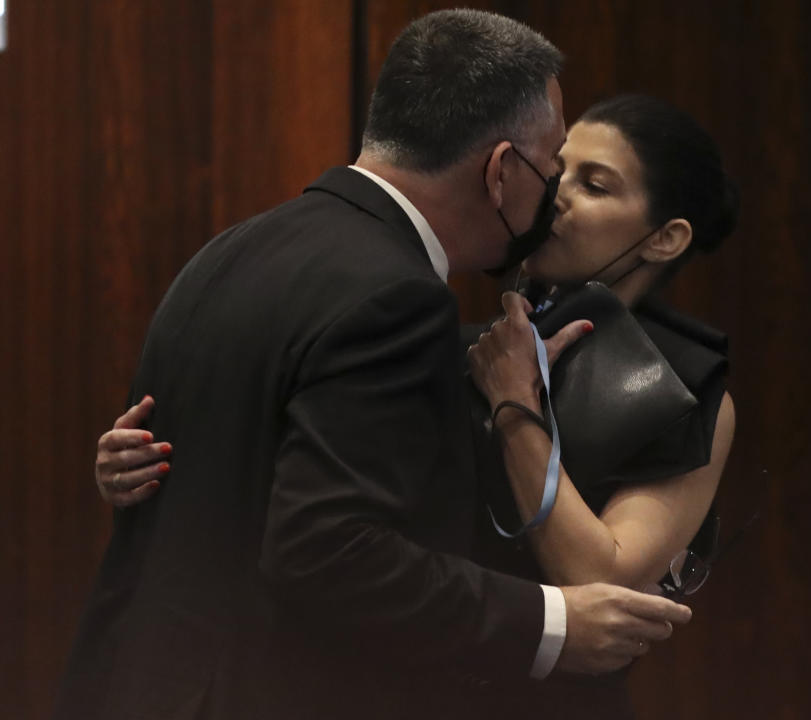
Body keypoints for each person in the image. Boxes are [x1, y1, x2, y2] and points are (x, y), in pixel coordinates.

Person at [56, 11, 692, 720]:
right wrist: (552, 626)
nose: (555, 198)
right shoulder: (398, 296)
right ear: (502, 171)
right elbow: (328, 553)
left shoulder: (231, 249)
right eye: (550, 170)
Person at [465, 92, 738, 717]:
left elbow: (600, 581)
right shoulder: (485, 343)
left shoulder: (689, 390)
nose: (557, 193)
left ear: (665, 238)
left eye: (594, 185)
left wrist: (514, 407)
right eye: (558, 170)